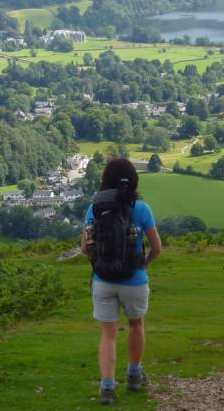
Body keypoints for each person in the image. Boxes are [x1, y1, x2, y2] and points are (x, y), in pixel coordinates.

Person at [80, 158, 162, 405]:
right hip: (134, 279)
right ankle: (134, 375)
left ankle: (107, 388)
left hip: (103, 279)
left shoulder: (94, 207)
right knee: (136, 325)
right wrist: (144, 264)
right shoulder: (142, 208)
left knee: (108, 334)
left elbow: (84, 248)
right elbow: (157, 247)